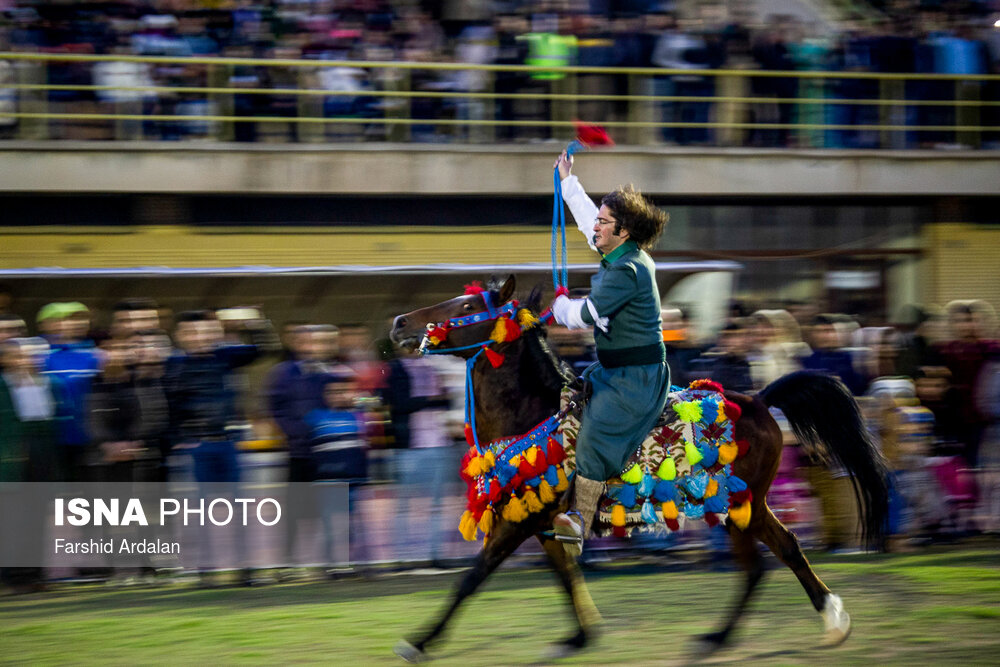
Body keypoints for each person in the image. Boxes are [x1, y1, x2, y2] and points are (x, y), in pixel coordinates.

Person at [549, 149, 670, 557]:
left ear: (623, 231)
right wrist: (568, 180)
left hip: (636, 379)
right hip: (614, 370)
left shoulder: (627, 269)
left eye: (604, 222)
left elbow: (586, 314)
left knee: (594, 435)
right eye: (599, 219)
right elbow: (587, 221)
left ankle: (580, 523)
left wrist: (560, 307)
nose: (595, 227)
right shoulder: (621, 251)